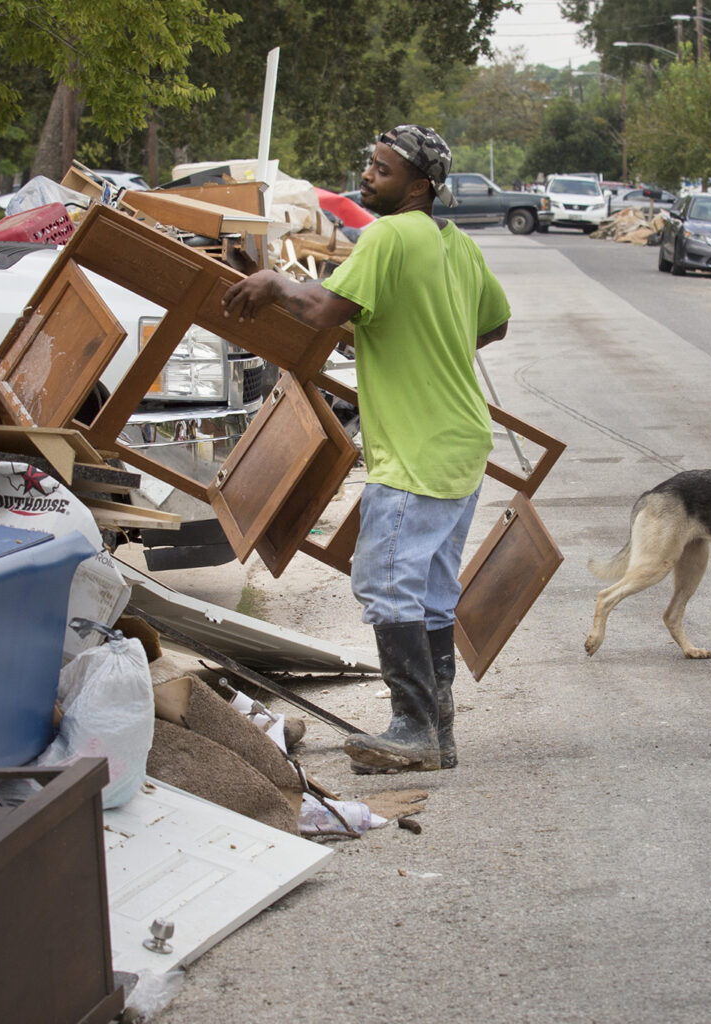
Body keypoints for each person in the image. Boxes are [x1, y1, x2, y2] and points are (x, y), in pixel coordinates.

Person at [222, 125, 510, 774]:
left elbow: (321, 309)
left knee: (386, 582)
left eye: (383, 170)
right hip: (461, 444)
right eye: (369, 164)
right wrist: (413, 336)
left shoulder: (387, 235)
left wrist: (271, 285)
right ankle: (436, 733)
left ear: (421, 186)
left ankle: (411, 729)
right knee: (431, 594)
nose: (368, 175)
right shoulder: (454, 245)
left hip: (416, 449)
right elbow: (493, 323)